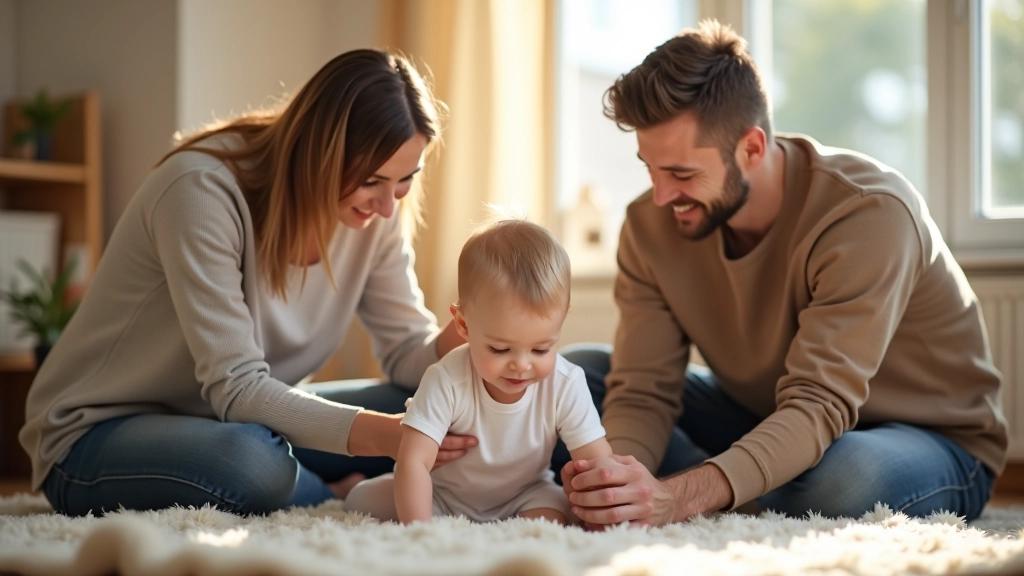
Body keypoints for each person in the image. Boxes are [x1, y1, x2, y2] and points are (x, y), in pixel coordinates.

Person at [558, 20, 1007, 527]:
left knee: (841, 480)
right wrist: (616, 482)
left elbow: (817, 404)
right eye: (650, 168)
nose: (661, 196)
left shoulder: (867, 213)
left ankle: (712, 489)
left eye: (682, 173)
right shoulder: (649, 225)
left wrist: (679, 498)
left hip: (927, 438)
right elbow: (643, 389)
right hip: (765, 414)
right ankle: (734, 486)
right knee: (574, 380)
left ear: (751, 148)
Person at [20, 49, 478, 517]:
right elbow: (237, 388)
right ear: (318, 154)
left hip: (235, 421)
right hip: (95, 435)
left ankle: (311, 480)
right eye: (371, 181)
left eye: (405, 179)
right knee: (253, 461)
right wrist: (392, 437)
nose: (387, 206)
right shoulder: (200, 190)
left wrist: (476, 334)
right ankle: (330, 495)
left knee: (445, 402)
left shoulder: (377, 214)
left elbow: (407, 355)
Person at [344, 219, 613, 524]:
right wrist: (420, 530)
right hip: (442, 496)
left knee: (556, 514)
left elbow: (596, 460)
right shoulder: (445, 378)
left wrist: (606, 510)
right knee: (361, 500)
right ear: (463, 324)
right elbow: (414, 461)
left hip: (526, 494)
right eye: (500, 349)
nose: (521, 365)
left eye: (541, 349)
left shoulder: (565, 383)